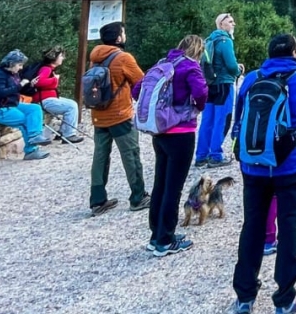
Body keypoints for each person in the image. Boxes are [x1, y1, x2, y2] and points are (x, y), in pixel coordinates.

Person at [230, 33, 296, 314]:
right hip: (289, 166)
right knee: (289, 226)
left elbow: (238, 121)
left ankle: (244, 296)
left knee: (253, 226)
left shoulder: (251, 79)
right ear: (295, 52)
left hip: (252, 166)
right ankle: (285, 298)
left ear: (270, 53)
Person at [136, 34, 208, 257]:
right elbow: (201, 93)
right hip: (181, 132)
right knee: (173, 188)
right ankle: (165, 240)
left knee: (160, 184)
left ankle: (156, 235)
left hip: (159, 132)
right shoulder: (191, 67)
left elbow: (136, 90)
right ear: (198, 50)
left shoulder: (162, 64)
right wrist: (196, 107)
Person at [89, 21, 148, 216]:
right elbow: (141, 81)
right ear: (118, 38)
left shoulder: (95, 57)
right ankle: (138, 197)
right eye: (123, 32)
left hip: (98, 115)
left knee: (100, 156)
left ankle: (97, 200)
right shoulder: (123, 58)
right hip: (120, 115)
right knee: (130, 155)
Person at [0, 51, 50, 160]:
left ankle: (35, 136)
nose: (21, 68)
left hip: (11, 105)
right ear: (11, 64)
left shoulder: (14, 74)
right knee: (24, 120)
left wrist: (30, 85)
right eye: (19, 65)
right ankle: (31, 151)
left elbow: (17, 90)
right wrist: (20, 85)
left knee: (35, 108)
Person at [197, 13, 241, 168]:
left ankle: (201, 156)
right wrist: (239, 70)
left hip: (209, 85)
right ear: (222, 25)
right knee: (222, 120)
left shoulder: (209, 40)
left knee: (207, 120)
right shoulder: (225, 40)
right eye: (230, 21)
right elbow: (231, 65)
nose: (233, 24)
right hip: (224, 84)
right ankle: (216, 155)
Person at [31, 46, 82, 144]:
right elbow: (38, 82)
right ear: (54, 58)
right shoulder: (46, 69)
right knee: (71, 106)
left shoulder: (49, 69)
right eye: (61, 56)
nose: (63, 58)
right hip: (45, 100)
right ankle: (68, 135)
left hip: (48, 98)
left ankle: (63, 132)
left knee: (72, 103)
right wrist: (55, 79)